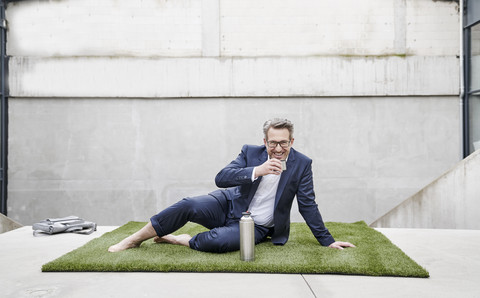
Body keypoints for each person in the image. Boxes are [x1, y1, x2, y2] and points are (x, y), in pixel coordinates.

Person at [108, 118, 355, 253]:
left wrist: (327, 240)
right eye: (272, 143)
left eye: (283, 143)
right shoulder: (251, 152)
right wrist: (257, 170)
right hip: (227, 204)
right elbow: (222, 177)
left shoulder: (302, 164)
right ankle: (134, 239)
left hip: (258, 225)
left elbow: (307, 205)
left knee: (218, 243)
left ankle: (179, 239)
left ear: (292, 141)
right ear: (265, 141)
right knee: (188, 205)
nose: (278, 149)